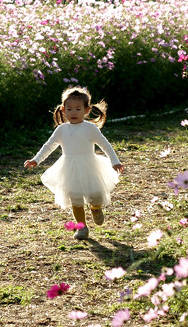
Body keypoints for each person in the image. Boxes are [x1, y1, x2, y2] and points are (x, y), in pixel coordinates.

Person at [24, 86, 125, 240]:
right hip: (69, 168)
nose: (73, 112)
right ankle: (82, 228)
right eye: (70, 109)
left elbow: (105, 145)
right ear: (64, 110)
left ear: (86, 110)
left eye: (78, 109)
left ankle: (96, 208)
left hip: (90, 166)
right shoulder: (61, 130)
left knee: (97, 195)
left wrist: (115, 161)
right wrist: (36, 159)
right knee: (75, 199)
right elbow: (49, 145)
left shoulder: (90, 128)